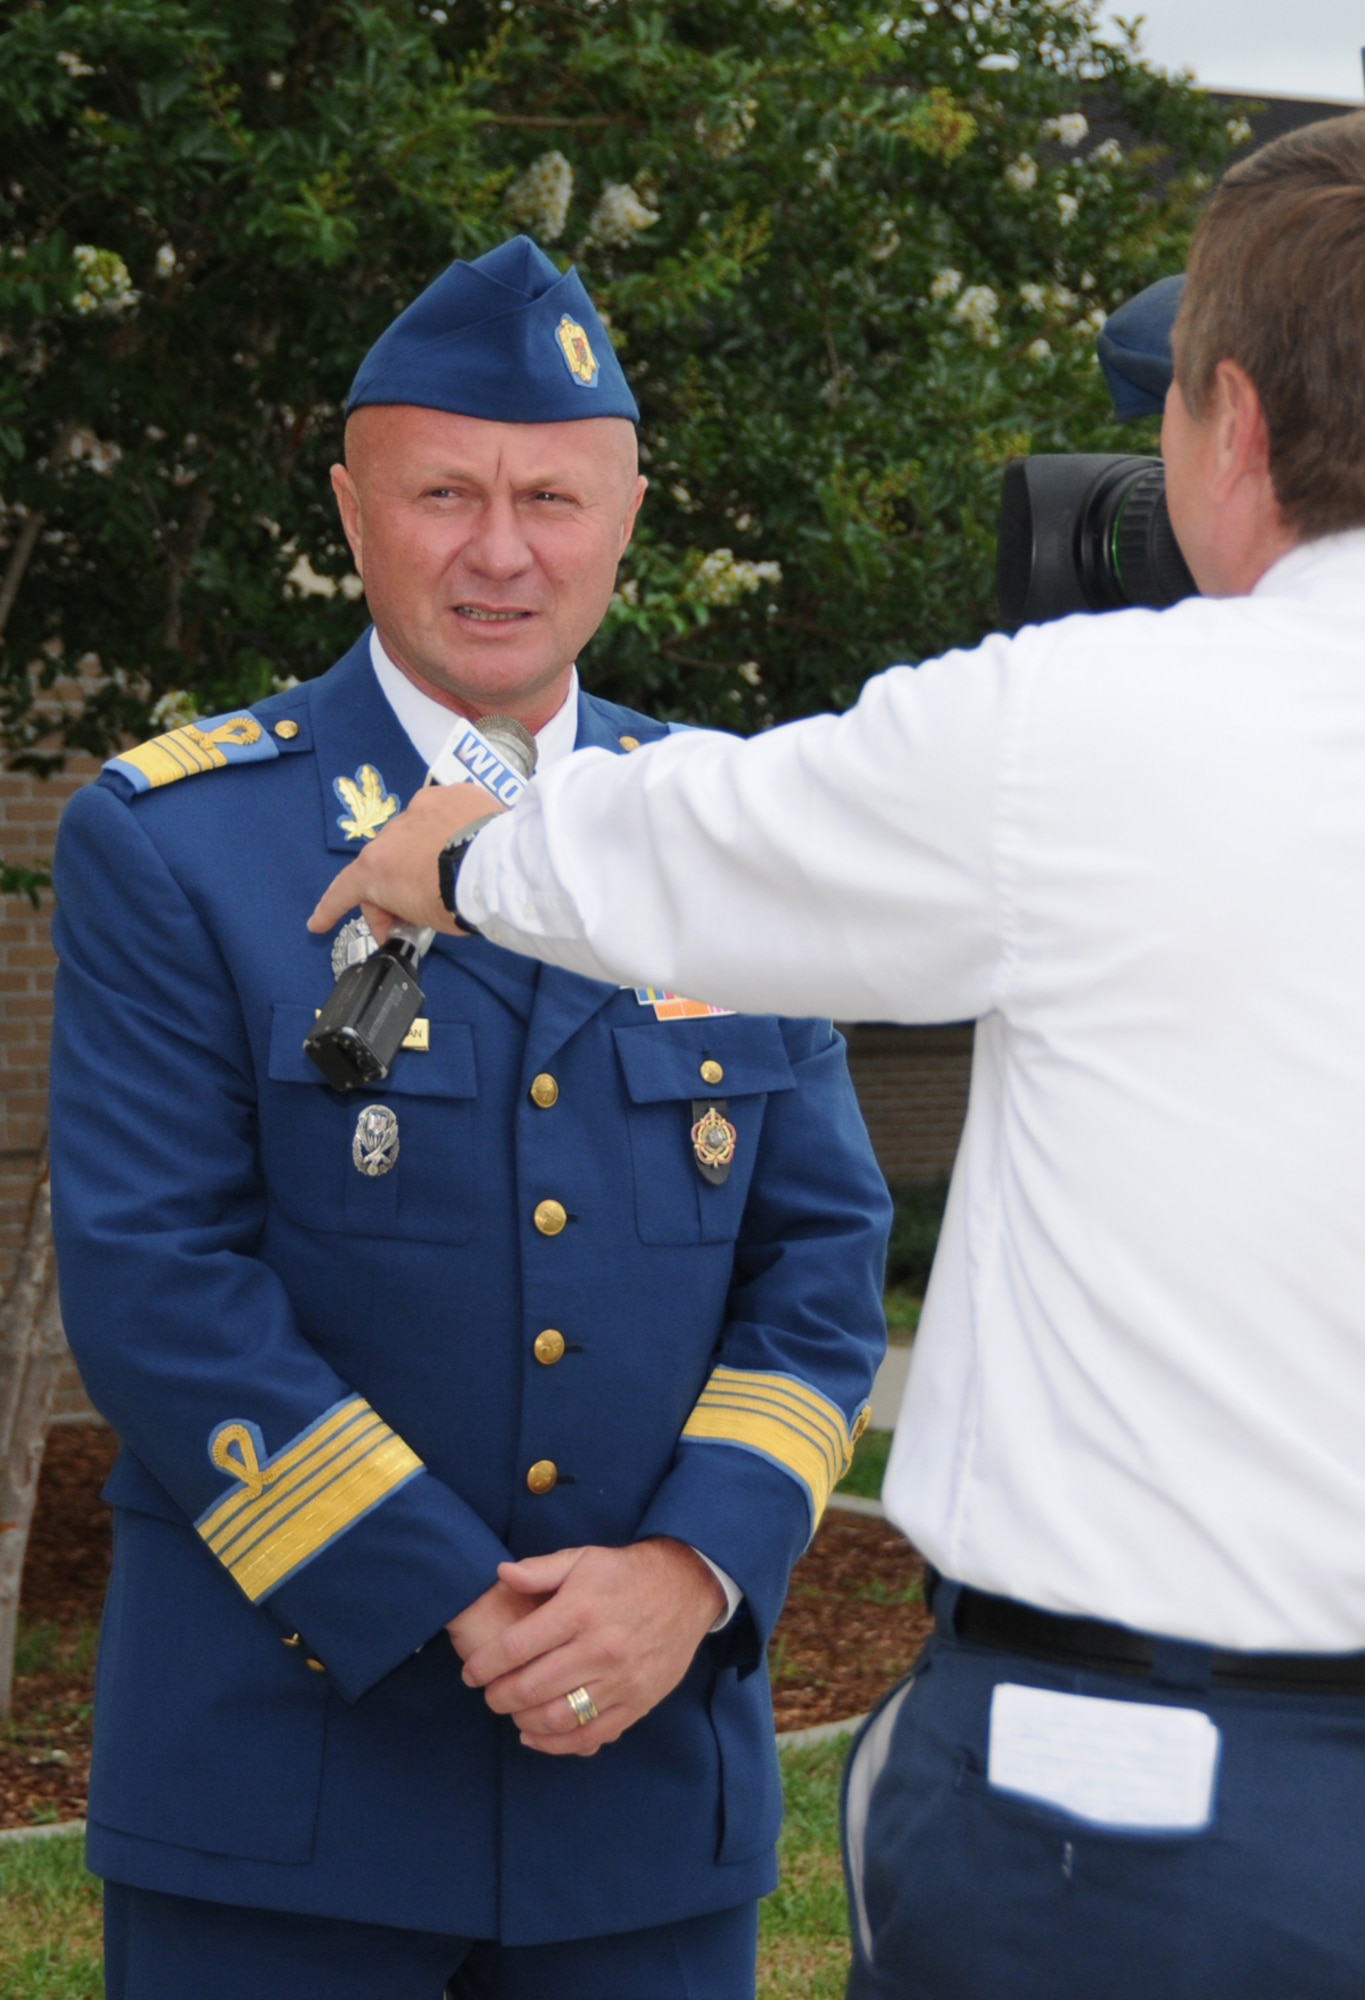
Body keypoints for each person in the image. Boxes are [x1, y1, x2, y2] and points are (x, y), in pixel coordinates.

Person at [313, 117, 1365, 1997]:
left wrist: (459, 849)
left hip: (1150, 1828)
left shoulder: (1094, 728)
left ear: (1233, 423)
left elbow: (701, 853)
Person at [48, 236, 891, 2000]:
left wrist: (687, 1570)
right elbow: (153, 1282)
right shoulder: (176, 839)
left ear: (627, 516)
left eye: (550, 498)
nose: (500, 550)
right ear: (351, 509)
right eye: (443, 491)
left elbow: (820, 1269)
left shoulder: (727, 834)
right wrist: (453, 1596)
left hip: (647, 1789)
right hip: (283, 1782)